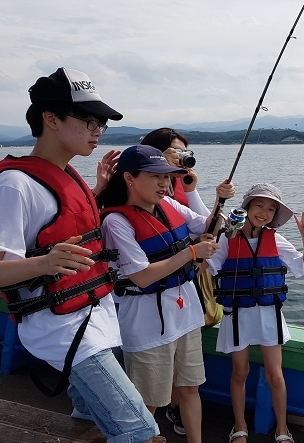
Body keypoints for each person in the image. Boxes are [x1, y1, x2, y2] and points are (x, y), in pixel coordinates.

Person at [0, 68, 161, 443]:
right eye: (89, 120)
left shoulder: (66, 175)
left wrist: (99, 192)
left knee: (87, 420)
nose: (97, 130)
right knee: (139, 430)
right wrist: (45, 263)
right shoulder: (14, 185)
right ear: (50, 119)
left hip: (98, 318)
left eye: (100, 123)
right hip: (63, 329)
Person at [100, 144, 222, 443]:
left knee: (190, 388)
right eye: (156, 176)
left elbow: (206, 225)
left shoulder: (169, 205)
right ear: (129, 178)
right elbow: (141, 276)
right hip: (147, 325)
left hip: (186, 314)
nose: (165, 183)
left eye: (167, 177)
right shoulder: (116, 221)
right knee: (147, 402)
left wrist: (219, 200)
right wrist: (191, 252)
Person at [141, 127, 235, 436]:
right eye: (173, 153)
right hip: (147, 302)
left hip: (183, 291)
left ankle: (178, 412)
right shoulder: (131, 204)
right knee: (149, 385)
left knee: (187, 377)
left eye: (183, 154)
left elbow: (209, 225)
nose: (180, 160)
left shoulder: (177, 195)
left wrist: (196, 190)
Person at [205, 183, 304, 443]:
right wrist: (208, 236)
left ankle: (282, 429)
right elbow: (207, 265)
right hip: (237, 314)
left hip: (269, 315)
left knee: (275, 374)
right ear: (247, 207)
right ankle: (239, 426)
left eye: (270, 209)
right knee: (239, 372)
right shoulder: (227, 238)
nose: (264, 213)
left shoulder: (274, 239)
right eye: (259, 205)